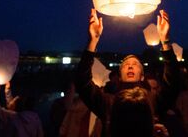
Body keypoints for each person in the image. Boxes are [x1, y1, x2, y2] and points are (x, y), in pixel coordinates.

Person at [75, 9, 180, 137]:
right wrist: (93, 41)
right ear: (119, 76)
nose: (130, 66)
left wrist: (165, 41)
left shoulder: (153, 100)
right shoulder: (107, 102)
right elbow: (82, 82)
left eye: (135, 64)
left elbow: (173, 82)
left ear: (142, 76)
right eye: (125, 65)